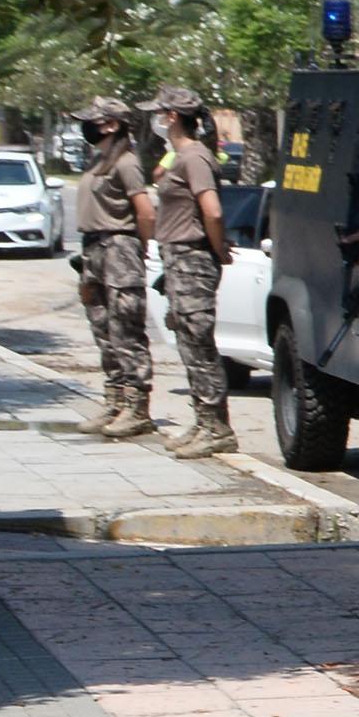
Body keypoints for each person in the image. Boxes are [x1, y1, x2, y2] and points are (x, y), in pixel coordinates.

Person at [146, 87, 239, 460]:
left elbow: (212, 212)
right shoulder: (180, 157)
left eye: (159, 112)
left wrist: (216, 251)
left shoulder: (195, 157)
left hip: (192, 259)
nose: (154, 119)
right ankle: (203, 422)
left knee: (199, 344)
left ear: (172, 117)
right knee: (187, 342)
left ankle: (217, 428)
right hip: (178, 259)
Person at [63, 97, 157, 440]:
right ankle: (115, 399)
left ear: (111, 124)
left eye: (93, 120)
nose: (85, 126)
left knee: (125, 328)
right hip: (93, 250)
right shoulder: (98, 158)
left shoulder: (127, 161)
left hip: (119, 247)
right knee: (103, 328)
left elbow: (145, 211)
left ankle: (137, 407)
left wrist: (141, 247)